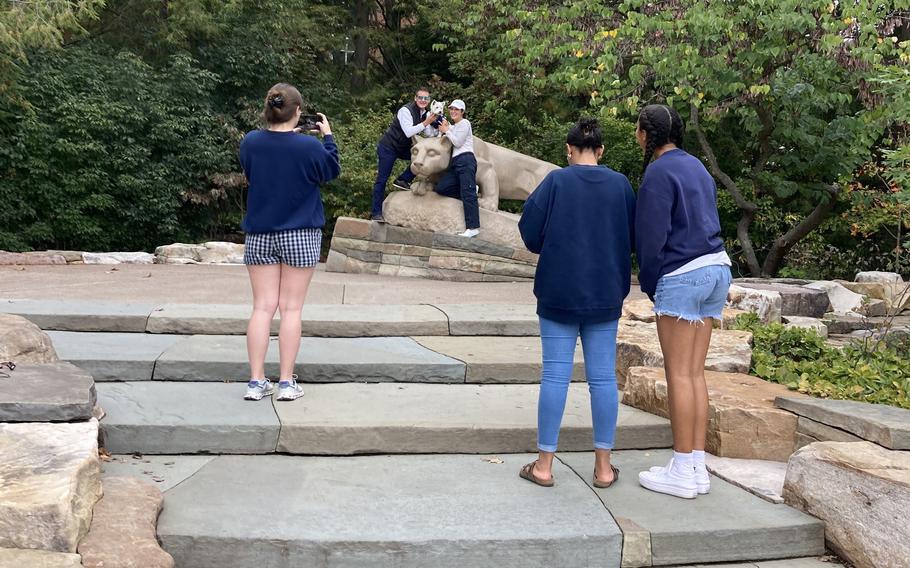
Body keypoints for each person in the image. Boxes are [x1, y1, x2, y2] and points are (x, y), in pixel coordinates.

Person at [516, 118, 636, 488]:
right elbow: (632, 236)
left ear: (568, 151)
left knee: (554, 375)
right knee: (602, 379)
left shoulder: (556, 181)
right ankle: (603, 468)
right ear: (601, 150)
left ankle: (544, 466)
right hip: (604, 293)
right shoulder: (621, 185)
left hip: (558, 292)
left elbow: (529, 233)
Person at [633, 104, 732, 499]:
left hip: (683, 273)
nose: (636, 134)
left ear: (647, 134)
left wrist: (651, 283)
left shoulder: (658, 172)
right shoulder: (696, 166)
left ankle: (681, 468)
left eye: (638, 129)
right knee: (694, 373)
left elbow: (651, 237)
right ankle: (694, 467)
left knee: (677, 375)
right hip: (717, 269)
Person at [239, 83, 340, 402]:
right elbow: (330, 170)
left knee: (262, 307)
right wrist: (327, 137)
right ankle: (285, 383)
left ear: (268, 110)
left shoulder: (250, 142)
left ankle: (256, 382)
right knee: (291, 308)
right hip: (300, 231)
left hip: (259, 232)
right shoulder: (309, 147)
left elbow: (252, 173)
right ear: (298, 112)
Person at [371, 87, 439, 222]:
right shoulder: (405, 110)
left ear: (429, 100)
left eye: (426, 98)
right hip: (388, 147)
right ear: (415, 98)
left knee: (423, 159)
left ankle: (403, 179)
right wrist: (427, 122)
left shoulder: (425, 113)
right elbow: (408, 132)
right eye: (420, 97)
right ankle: (376, 213)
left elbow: (429, 133)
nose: (423, 100)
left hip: (403, 147)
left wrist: (439, 127)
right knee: (382, 179)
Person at [434, 99, 480, 238]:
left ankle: (473, 228)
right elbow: (446, 132)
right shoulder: (454, 127)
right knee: (441, 188)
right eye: (451, 109)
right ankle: (471, 190)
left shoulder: (465, 123)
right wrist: (445, 129)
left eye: (456, 109)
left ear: (462, 112)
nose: (453, 111)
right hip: (456, 163)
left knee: (468, 194)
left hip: (466, 159)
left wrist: (447, 131)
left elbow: (458, 142)